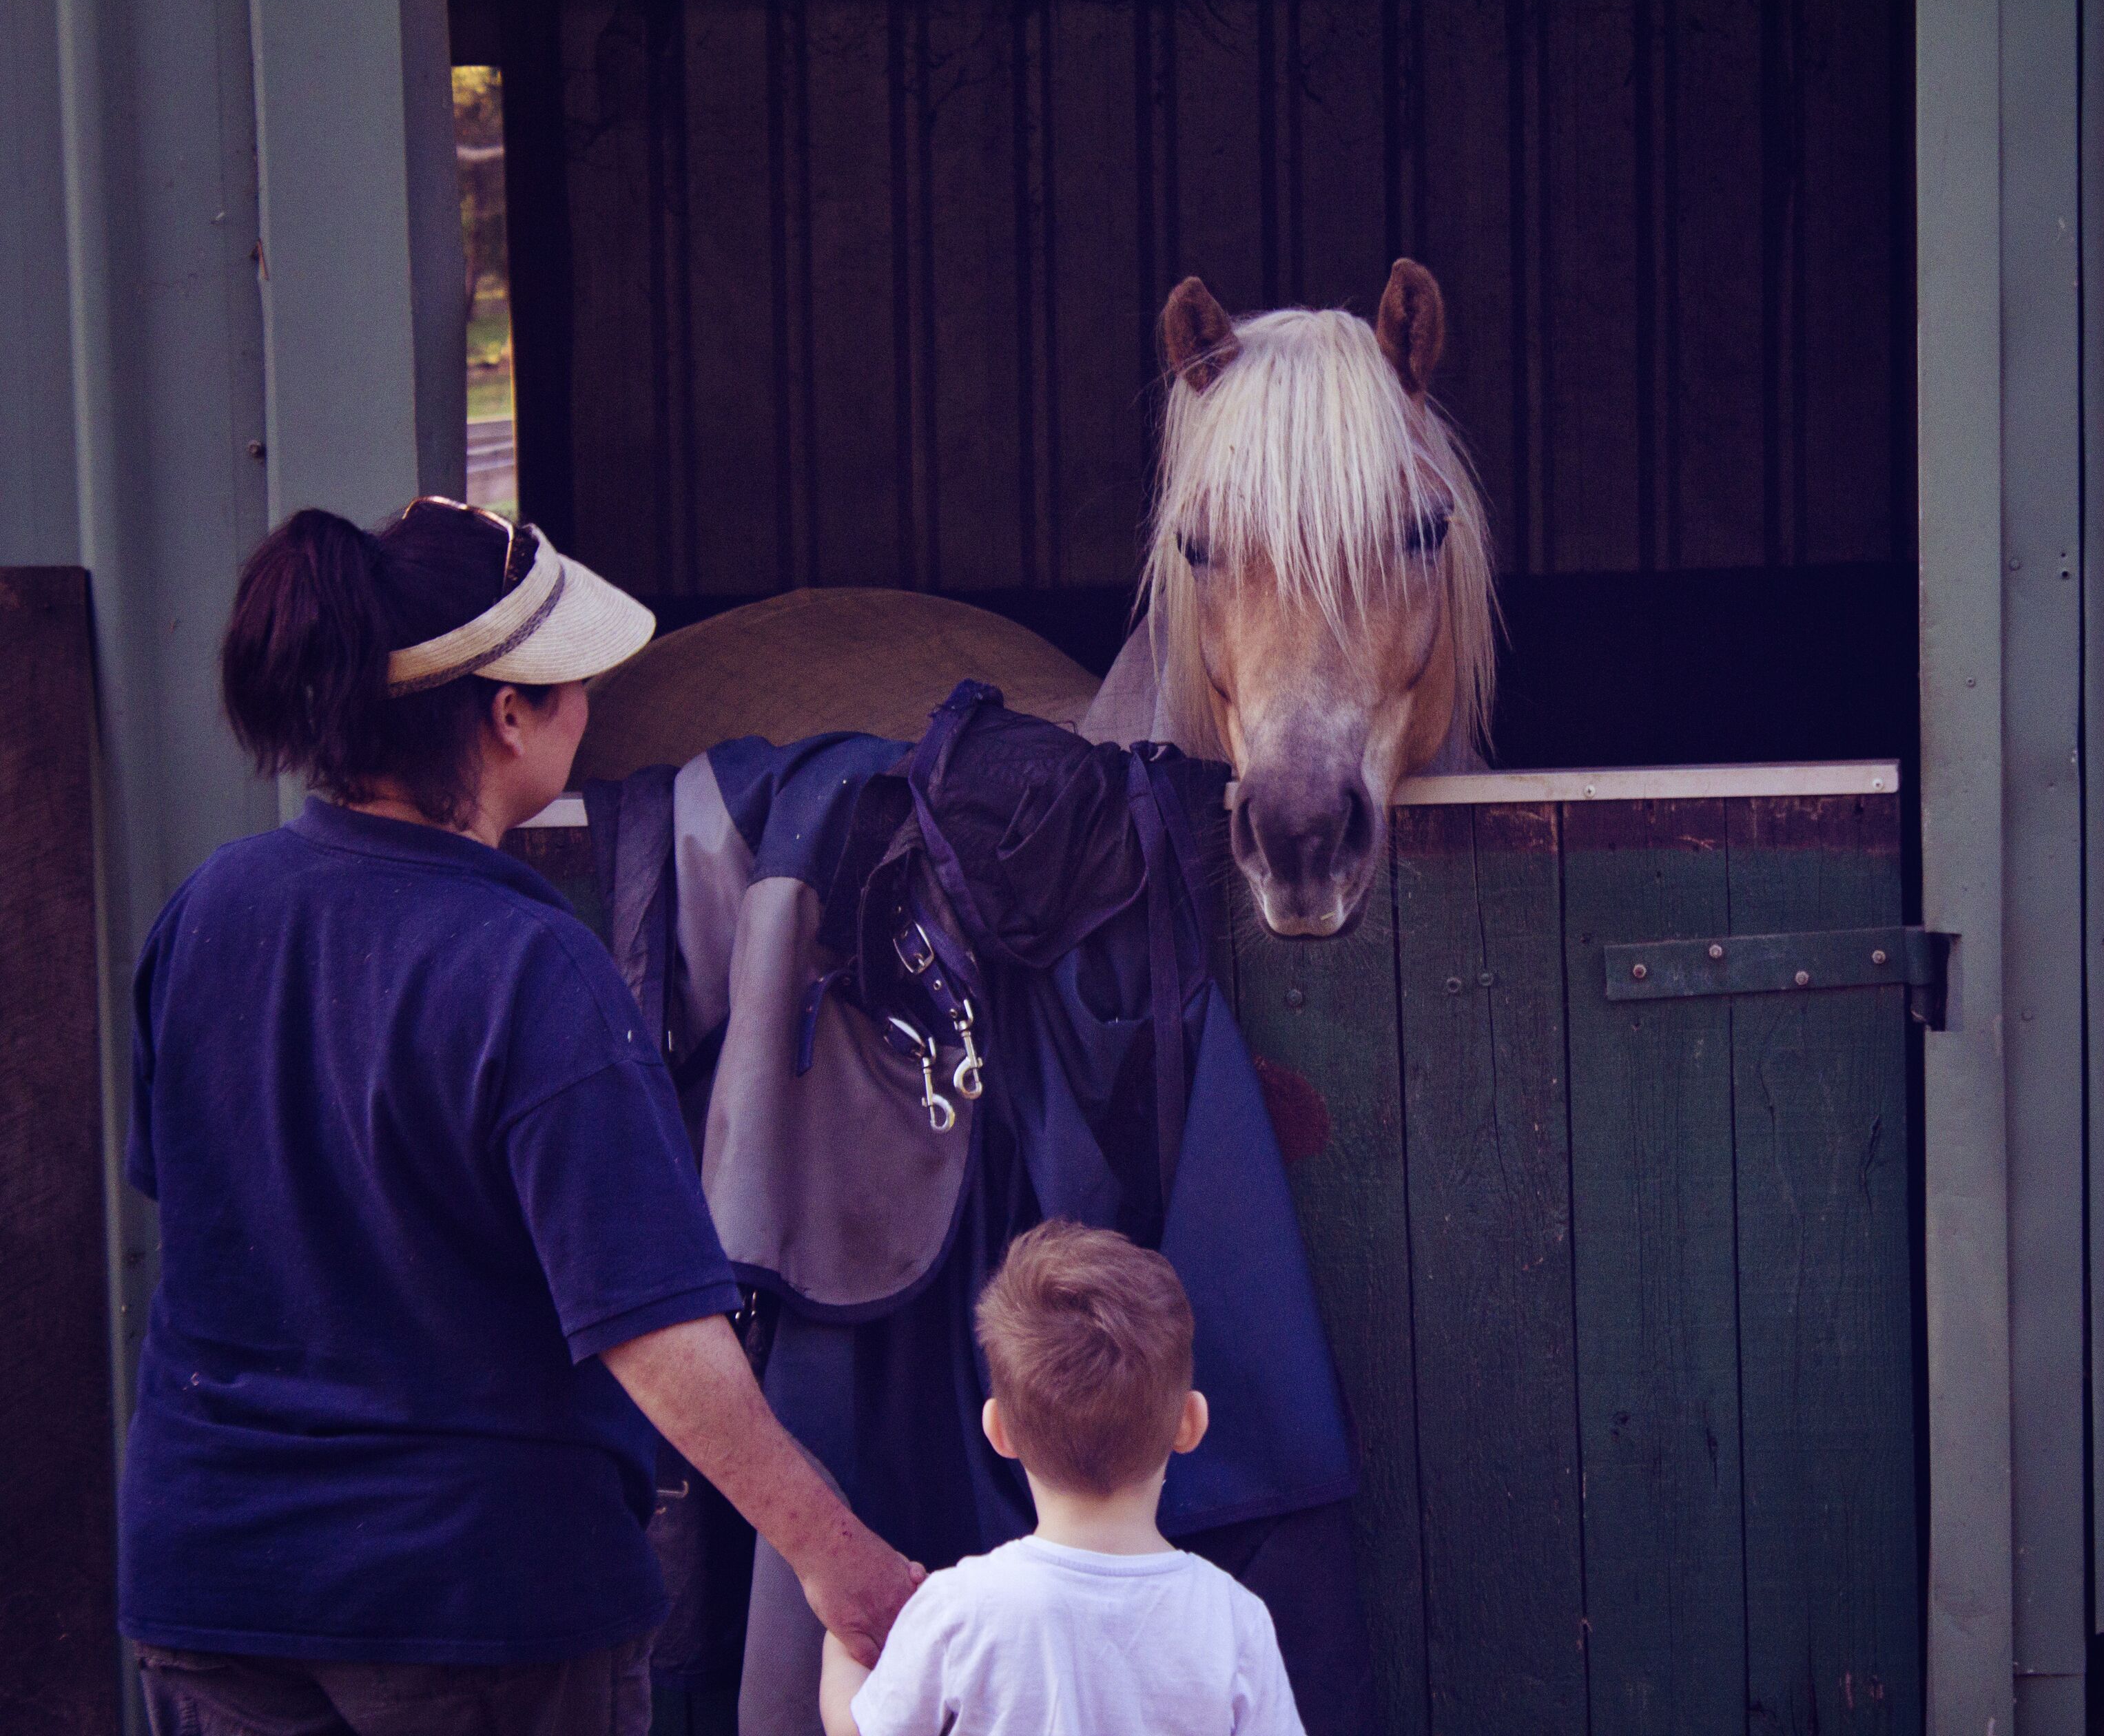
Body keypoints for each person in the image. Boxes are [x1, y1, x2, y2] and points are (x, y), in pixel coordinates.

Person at [121, 499, 923, 1736]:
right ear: (506, 716)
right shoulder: (529, 966)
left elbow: (222, 1221)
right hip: (474, 1612)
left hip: (210, 1593)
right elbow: (651, 1330)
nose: (590, 711)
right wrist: (833, 1552)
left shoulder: (205, 913)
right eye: (570, 688)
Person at [819, 1219, 1305, 1736]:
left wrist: (839, 1647)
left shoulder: (958, 1609)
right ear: (1191, 1423)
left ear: (999, 1430)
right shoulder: (1234, 1619)